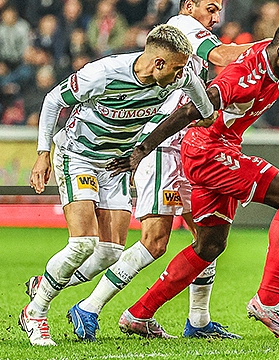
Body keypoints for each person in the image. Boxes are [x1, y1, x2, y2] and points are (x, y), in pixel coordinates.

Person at [107, 19, 279, 342]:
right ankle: (268, 300)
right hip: (208, 151)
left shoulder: (276, 62)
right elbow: (191, 110)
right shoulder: (243, 76)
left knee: (210, 245)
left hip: (218, 148)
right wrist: (141, 150)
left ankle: (138, 314)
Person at [56, 0, 257, 342]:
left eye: (220, 9)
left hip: (188, 146)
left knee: (208, 237)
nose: (217, 17)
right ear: (189, 5)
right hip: (162, 145)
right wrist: (272, 47)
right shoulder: (184, 26)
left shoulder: (194, 34)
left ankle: (198, 319)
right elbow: (224, 56)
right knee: (154, 241)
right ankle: (89, 307)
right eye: (210, 7)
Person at [19, 24, 218, 346]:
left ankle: (44, 284)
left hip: (116, 164)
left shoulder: (180, 77)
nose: (183, 75)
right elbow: (54, 100)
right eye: (179, 67)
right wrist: (43, 154)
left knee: (110, 252)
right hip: (78, 155)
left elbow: (204, 109)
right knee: (83, 243)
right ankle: (36, 312)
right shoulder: (103, 73)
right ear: (158, 64)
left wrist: (206, 114)